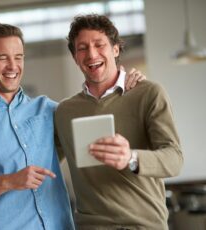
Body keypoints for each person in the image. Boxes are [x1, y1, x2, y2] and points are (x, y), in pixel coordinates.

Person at [0, 22, 144, 230]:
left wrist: (123, 84)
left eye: (18, 57)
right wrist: (8, 181)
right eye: (2, 58)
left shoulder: (48, 109)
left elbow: (96, 115)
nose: (12, 66)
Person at [55, 14, 183, 230]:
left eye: (99, 44)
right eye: (82, 48)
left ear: (115, 49)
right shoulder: (64, 111)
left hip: (144, 226)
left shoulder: (148, 93)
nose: (91, 54)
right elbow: (43, 159)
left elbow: (174, 159)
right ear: (75, 57)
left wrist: (131, 157)